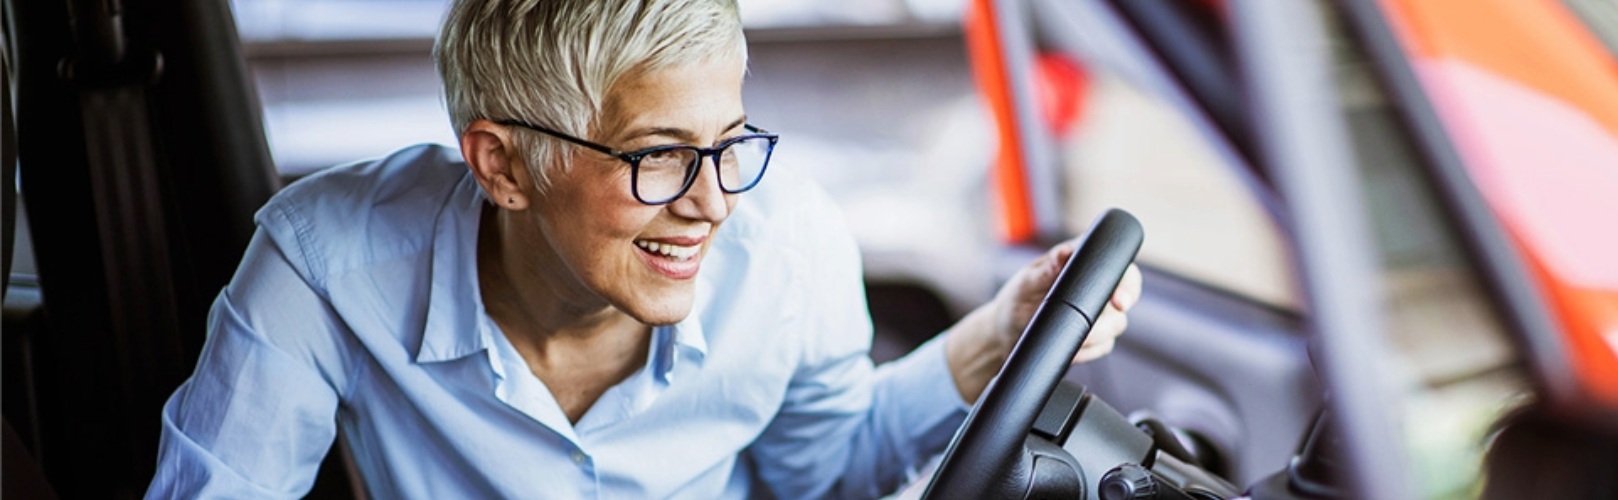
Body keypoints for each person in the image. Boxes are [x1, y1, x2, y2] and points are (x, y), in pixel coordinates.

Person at [145, 0, 1141, 498]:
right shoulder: (324, 267)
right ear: (503, 166)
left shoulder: (787, 240)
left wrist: (996, 336)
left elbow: (826, 469)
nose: (713, 202)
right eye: (660, 155)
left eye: (729, 143)